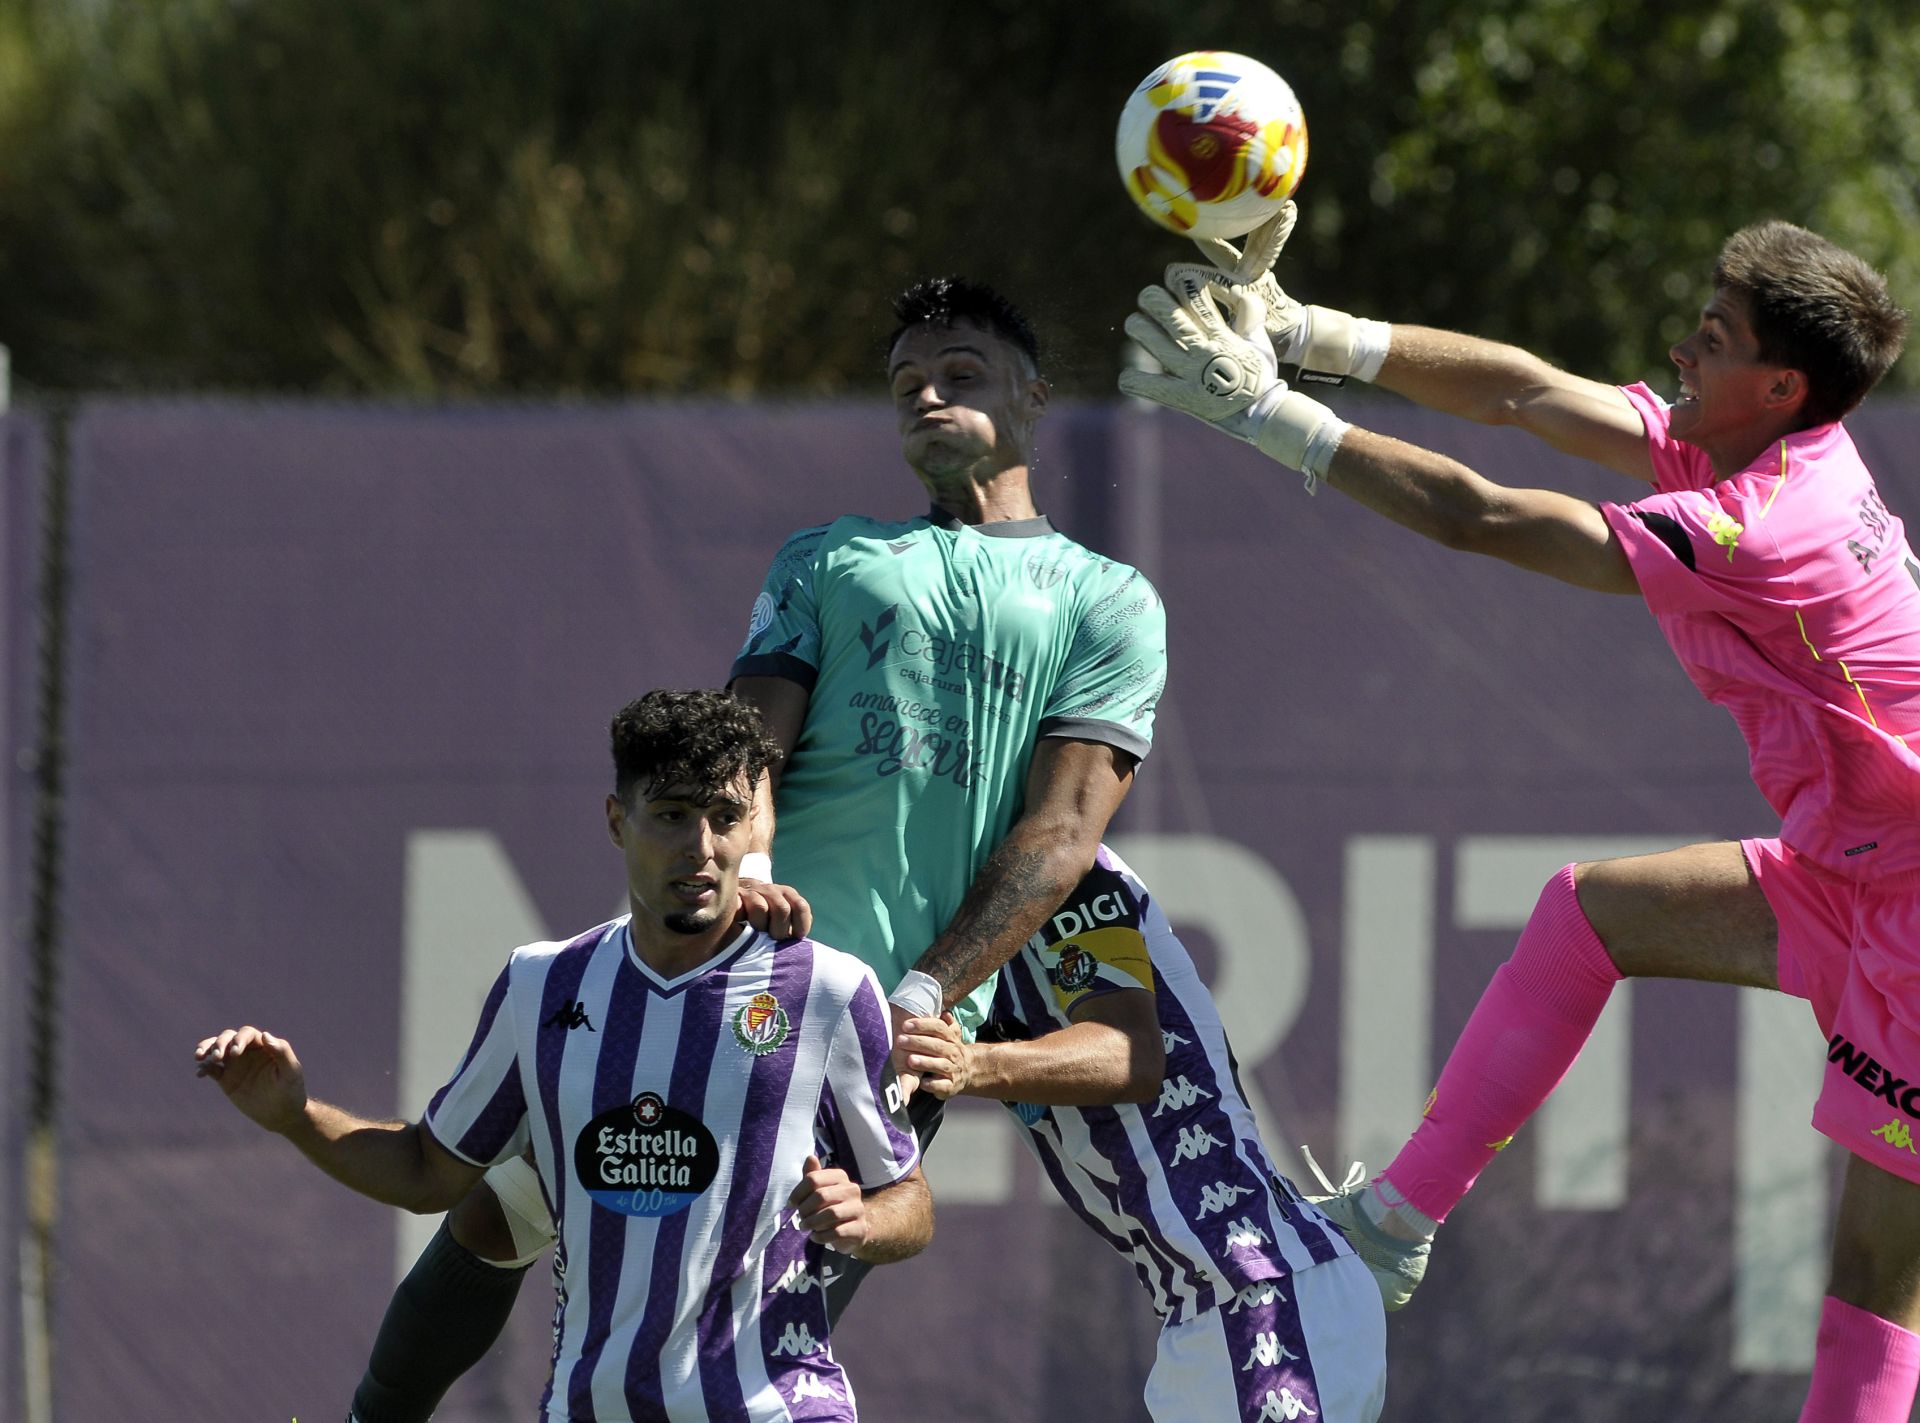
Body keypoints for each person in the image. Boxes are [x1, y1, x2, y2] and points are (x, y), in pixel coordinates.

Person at [1120, 210, 1920, 1421]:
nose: (1683, 354)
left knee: (1876, 1277)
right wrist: (1304, 331)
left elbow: (1485, 517)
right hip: (1853, 869)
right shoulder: (1768, 443)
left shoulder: (1765, 528)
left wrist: (1265, 414)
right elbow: (1529, 392)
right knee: (1588, 912)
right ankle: (1394, 1228)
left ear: (1781, 382)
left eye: (1713, 338)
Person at [344, 277, 1170, 1420]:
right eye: (906, 383)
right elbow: (744, 749)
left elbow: (1064, 829)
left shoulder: (1107, 599)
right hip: (705, 977)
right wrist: (754, 874)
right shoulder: (828, 559)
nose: (929, 393)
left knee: (736, 1314)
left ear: (1034, 395)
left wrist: (933, 987)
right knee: (501, 1210)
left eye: (962, 372)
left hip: (861, 1022)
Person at [199, 689, 930, 1423]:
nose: (701, 846)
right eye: (673, 813)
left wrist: (864, 1218)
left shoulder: (828, 988)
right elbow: (429, 1170)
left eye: (725, 817)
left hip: (777, 1408)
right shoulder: (541, 984)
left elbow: (911, 1200)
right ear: (618, 821)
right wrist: (296, 1117)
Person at [897, 843, 1386, 1423]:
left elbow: (1131, 1057)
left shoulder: (1068, 869)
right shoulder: (941, 895)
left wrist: (971, 1065)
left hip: (1261, 1291)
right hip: (1206, 1307)